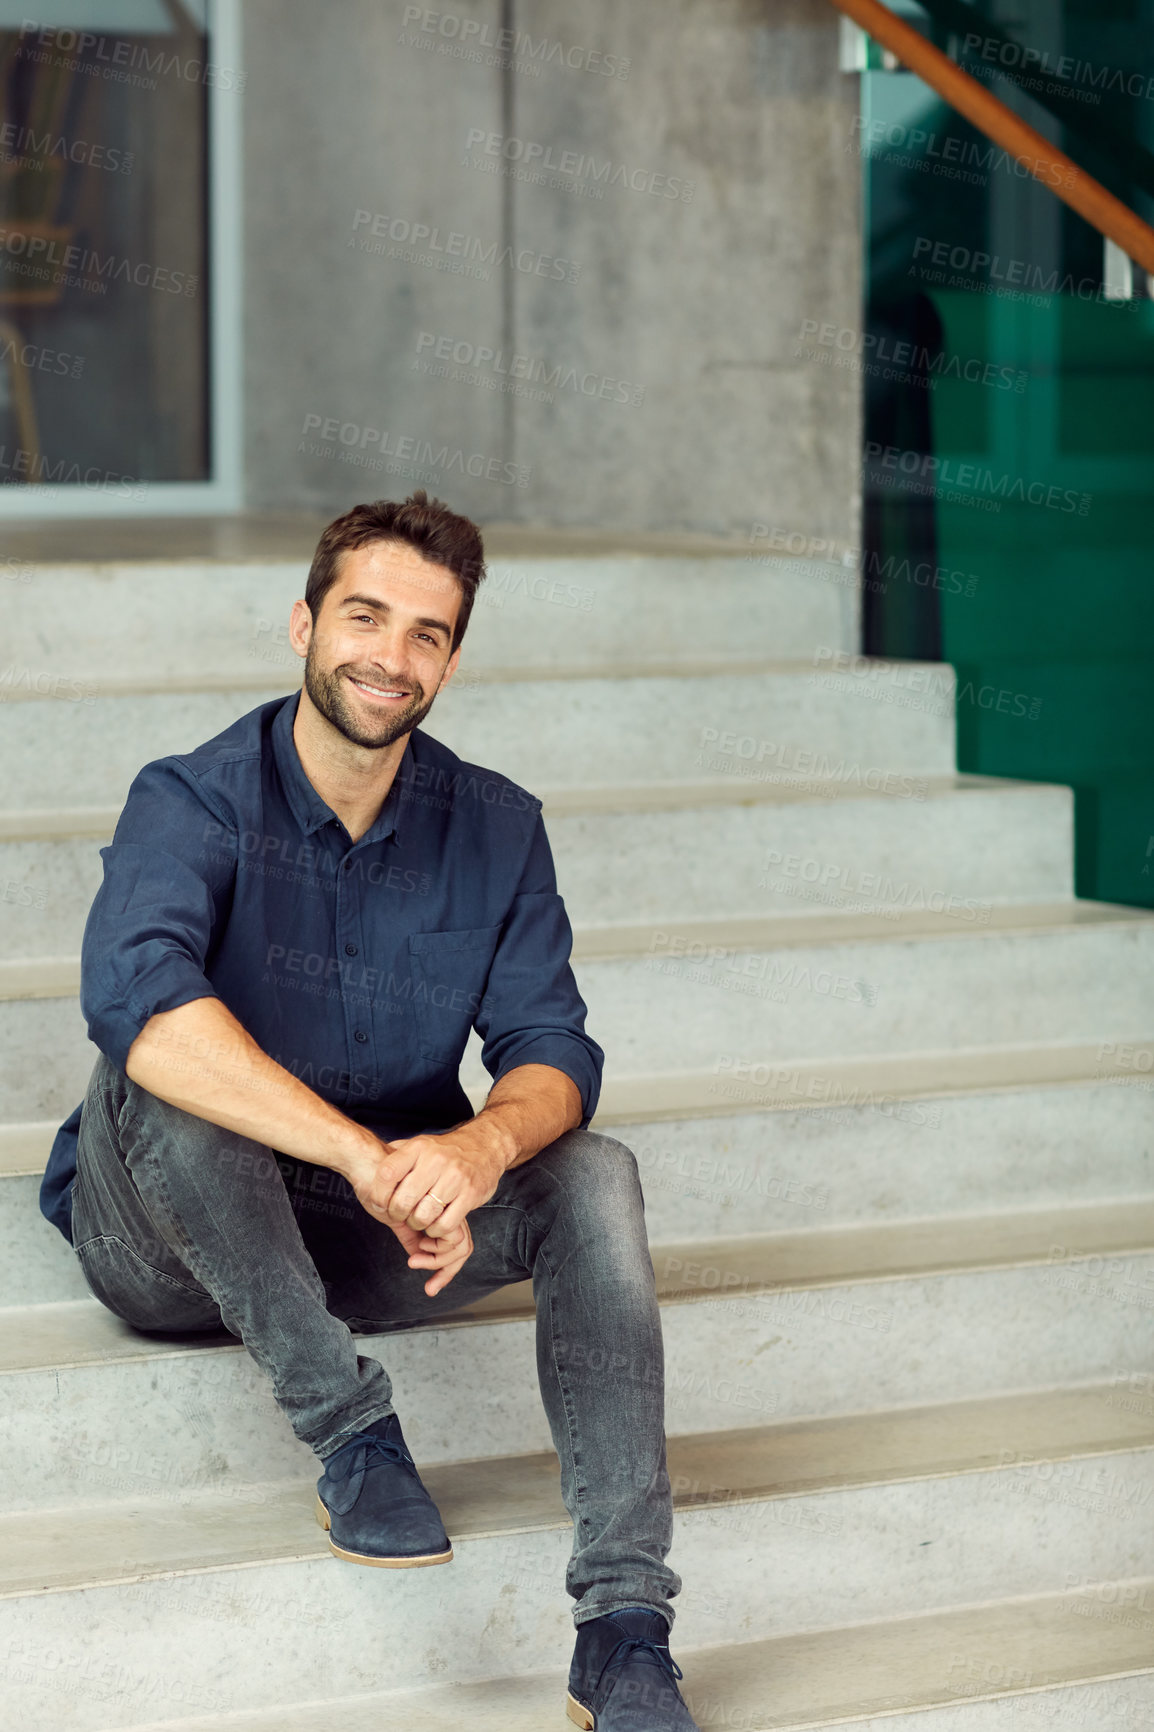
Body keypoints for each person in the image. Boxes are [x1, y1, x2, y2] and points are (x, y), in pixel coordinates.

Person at [40, 492, 700, 1731]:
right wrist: (362, 1153)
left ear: (450, 657)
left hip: (377, 1233)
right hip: (167, 1241)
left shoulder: (497, 826)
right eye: (363, 616)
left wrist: (473, 1145)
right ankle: (354, 1437)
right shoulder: (191, 799)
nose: (389, 658)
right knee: (176, 1070)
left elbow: (550, 1047)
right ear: (301, 622)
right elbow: (136, 1002)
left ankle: (622, 1626)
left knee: (593, 1169)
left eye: (427, 634)